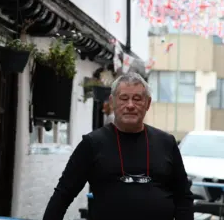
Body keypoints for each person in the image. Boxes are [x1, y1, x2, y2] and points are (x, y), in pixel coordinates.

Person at [43, 72, 194, 220]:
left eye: (137, 99)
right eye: (123, 98)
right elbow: (63, 194)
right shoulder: (92, 144)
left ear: (147, 103)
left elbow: (184, 197)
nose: (130, 105)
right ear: (112, 102)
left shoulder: (166, 142)